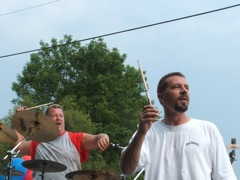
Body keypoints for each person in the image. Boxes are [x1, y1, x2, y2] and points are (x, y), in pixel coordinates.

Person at [120, 72, 237, 180]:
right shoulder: (147, 132)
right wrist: (141, 133)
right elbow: (127, 169)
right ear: (161, 97)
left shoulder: (208, 129)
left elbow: (225, 176)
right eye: (176, 87)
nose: (184, 91)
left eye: (187, 87)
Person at [14, 104, 110, 180]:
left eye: (61, 116)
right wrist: (20, 119)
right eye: (54, 116)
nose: (58, 118)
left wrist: (104, 137)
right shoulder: (38, 142)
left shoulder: (76, 138)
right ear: (46, 120)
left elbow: (98, 137)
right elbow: (19, 146)